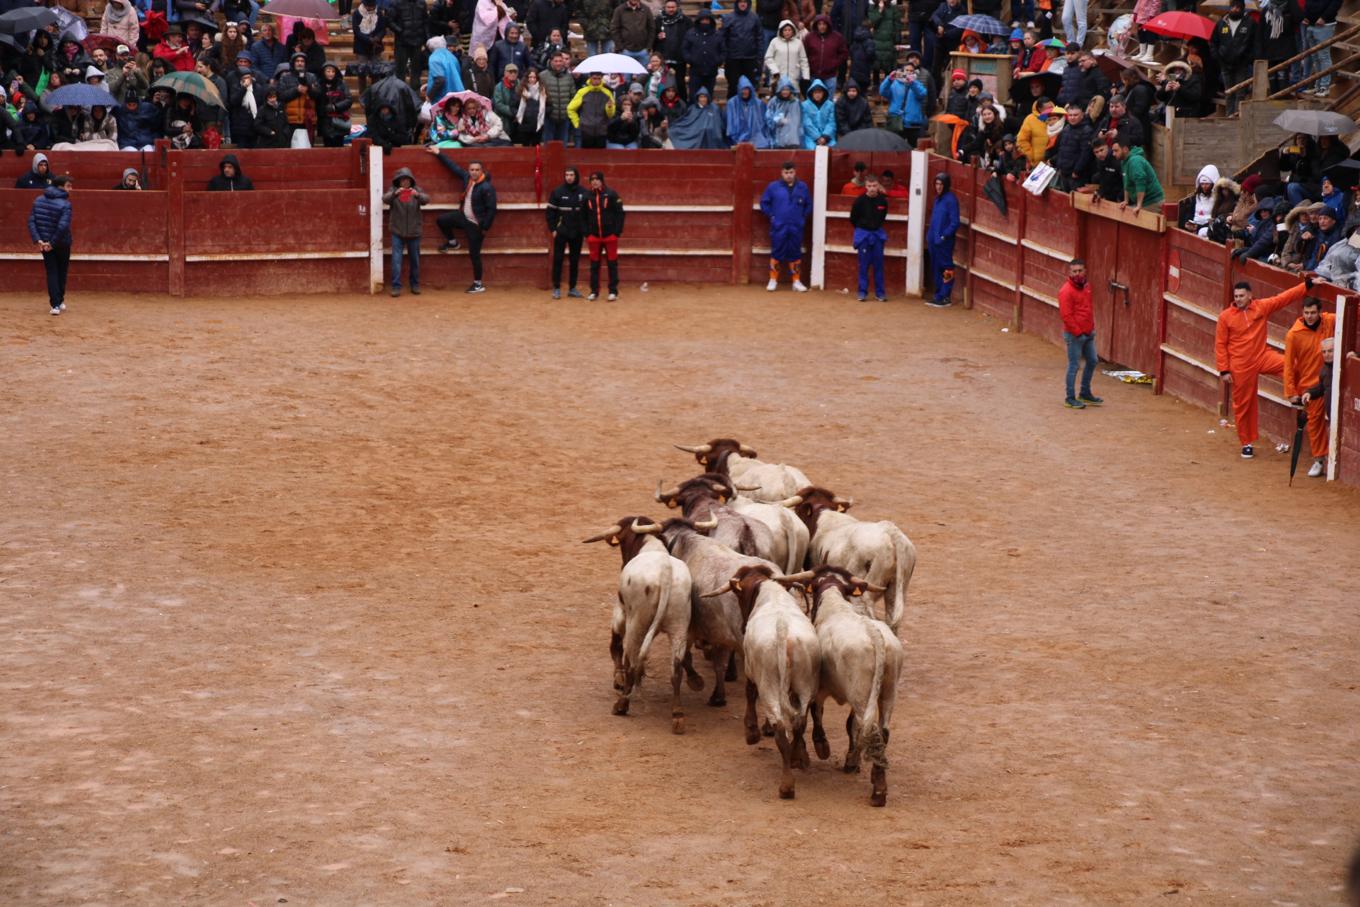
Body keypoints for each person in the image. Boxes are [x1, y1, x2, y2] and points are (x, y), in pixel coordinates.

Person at [1215, 277, 1311, 459]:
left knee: (1291, 365)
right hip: (1240, 364)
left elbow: (1284, 298)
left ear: (1250, 295)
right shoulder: (1225, 316)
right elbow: (1220, 344)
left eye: (1242, 295)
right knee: (1244, 404)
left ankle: (1294, 395)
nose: (1238, 299)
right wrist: (1224, 370)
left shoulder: (1261, 306)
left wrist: (1306, 285)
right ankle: (1246, 443)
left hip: (1262, 355)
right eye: (1236, 296)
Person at [430, 149, 497, 293]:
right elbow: (453, 167)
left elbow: (491, 209)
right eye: (472, 169)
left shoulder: (487, 187)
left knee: (474, 254)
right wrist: (438, 153)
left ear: (481, 171)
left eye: (477, 170)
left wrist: (484, 227)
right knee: (441, 220)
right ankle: (453, 243)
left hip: (475, 224)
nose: (474, 172)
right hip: (463, 217)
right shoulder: (467, 178)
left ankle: (478, 284)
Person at [1284, 296, 1336, 477]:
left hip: (1329, 381)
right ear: (1302, 313)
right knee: (1314, 423)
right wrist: (1290, 392)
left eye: (1313, 312)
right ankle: (1319, 459)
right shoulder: (1294, 334)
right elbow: (1289, 365)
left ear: (1319, 312)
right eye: (1306, 313)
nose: (1310, 316)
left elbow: (1351, 314)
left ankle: (1332, 459)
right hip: (1310, 385)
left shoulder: (1329, 320)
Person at [760, 161, 812, 292]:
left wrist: (801, 217)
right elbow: (764, 203)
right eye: (786, 172)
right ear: (781, 173)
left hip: (796, 225)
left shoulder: (802, 187)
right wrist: (772, 216)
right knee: (777, 251)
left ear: (795, 172)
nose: (789, 175)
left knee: (795, 251)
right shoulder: (773, 187)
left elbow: (808, 205)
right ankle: (773, 280)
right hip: (779, 225)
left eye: (791, 172)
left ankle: (796, 281)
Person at [1058, 258, 1103, 408]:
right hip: (1075, 334)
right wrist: (1078, 333)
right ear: (1070, 273)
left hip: (1087, 333)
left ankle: (1084, 393)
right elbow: (1066, 316)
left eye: (1080, 271)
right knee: (1074, 365)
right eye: (1074, 271)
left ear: (1085, 271)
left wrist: (1090, 329)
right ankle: (1070, 398)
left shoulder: (1086, 287)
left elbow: (1088, 309)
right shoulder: (1066, 291)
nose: (1078, 274)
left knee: (1092, 360)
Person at [28, 174, 73, 317]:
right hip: (61, 243)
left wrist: (39, 240)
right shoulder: (65, 204)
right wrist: (52, 243)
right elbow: (63, 226)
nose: (71, 189)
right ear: (60, 187)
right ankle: (58, 301)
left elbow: (32, 222)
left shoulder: (38, 200)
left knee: (52, 272)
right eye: (68, 186)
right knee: (61, 271)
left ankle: (55, 304)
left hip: (45, 243)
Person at [383, 166, 429, 297]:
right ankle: (396, 286)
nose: (405, 182)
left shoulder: (416, 190)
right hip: (397, 231)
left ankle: (415, 284)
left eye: (407, 180)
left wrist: (418, 195)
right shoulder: (394, 190)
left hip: (414, 232)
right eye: (402, 180)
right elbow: (385, 199)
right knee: (396, 261)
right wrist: (395, 193)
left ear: (411, 180)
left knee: (415, 260)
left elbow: (427, 199)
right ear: (398, 181)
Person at [582, 171, 624, 301]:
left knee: (612, 264)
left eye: (597, 179)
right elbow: (582, 217)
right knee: (594, 265)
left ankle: (613, 291)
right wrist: (587, 233)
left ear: (602, 180)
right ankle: (594, 291)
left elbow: (620, 214)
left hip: (609, 236)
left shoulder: (611, 194)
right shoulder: (586, 196)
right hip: (594, 237)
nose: (594, 182)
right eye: (592, 180)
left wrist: (616, 233)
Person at [1210, 0, 1257, 115]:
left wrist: (1248, 59)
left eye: (1238, 7)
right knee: (1229, 92)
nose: (1235, 9)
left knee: (1240, 92)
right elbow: (1213, 42)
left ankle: (1237, 116)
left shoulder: (1250, 23)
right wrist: (1218, 58)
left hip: (1242, 64)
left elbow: (1256, 43)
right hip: (1225, 63)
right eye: (1233, 7)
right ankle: (1229, 116)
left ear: (1242, 8)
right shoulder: (1221, 23)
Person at [546, 167, 586, 299]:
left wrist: (584, 229)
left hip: (577, 232)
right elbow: (550, 213)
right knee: (558, 259)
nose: (569, 177)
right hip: (562, 231)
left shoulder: (583, 192)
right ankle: (556, 288)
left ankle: (572, 288)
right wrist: (553, 229)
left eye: (571, 175)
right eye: (567, 175)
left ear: (576, 176)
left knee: (575, 260)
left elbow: (587, 214)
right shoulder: (557, 192)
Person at [850, 174, 889, 302]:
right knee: (864, 265)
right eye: (869, 186)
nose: (872, 188)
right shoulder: (859, 201)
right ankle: (862, 292)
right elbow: (853, 219)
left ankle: (880, 293)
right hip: (864, 235)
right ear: (865, 186)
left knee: (879, 265)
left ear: (878, 186)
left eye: (874, 186)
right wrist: (863, 228)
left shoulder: (883, 201)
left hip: (877, 234)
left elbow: (883, 217)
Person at [927, 172, 959, 307]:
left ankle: (945, 295)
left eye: (941, 184)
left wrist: (944, 235)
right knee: (937, 268)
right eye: (937, 184)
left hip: (944, 240)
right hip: (934, 240)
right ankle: (939, 294)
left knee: (946, 267)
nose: (938, 187)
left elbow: (954, 222)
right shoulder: (938, 199)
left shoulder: (950, 200)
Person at [568, 72, 615, 149]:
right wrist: (577, 123)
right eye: (594, 78)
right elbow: (571, 108)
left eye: (599, 79)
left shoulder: (607, 93)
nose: (596, 81)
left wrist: (609, 108)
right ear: (590, 78)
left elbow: (611, 115)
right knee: (585, 157)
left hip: (601, 131)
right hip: (586, 131)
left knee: (600, 157)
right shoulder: (582, 92)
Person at [1112, 139, 1162, 211]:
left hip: (1152, 201)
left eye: (1116, 151)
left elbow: (1140, 183)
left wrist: (1139, 205)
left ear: (1125, 149)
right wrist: (1126, 201)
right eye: (1113, 151)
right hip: (1143, 202)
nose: (1113, 154)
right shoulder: (1124, 161)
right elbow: (1127, 182)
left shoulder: (1135, 161)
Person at [611, 0, 655, 70]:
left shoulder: (646, 9)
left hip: (643, 50)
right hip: (625, 51)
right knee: (626, 78)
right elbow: (614, 29)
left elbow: (651, 28)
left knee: (642, 77)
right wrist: (621, 47)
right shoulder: (619, 10)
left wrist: (648, 46)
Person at [800, 79, 835, 148]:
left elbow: (832, 122)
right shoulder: (804, 105)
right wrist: (817, 137)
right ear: (811, 93)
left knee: (832, 148)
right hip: (810, 137)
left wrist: (825, 136)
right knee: (810, 149)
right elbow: (806, 123)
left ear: (824, 93)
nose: (817, 95)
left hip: (827, 137)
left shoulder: (830, 105)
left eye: (819, 92)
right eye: (815, 92)